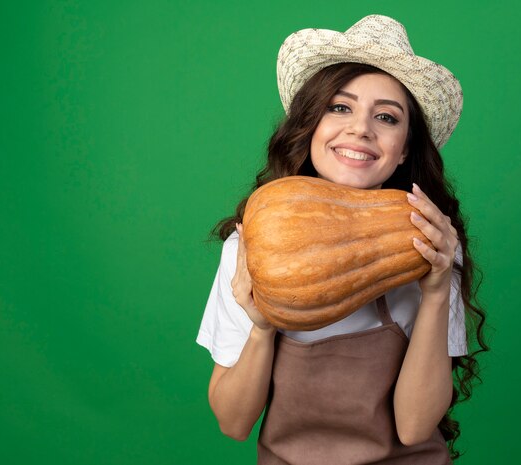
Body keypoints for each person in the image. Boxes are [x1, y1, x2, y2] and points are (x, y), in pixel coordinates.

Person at [197, 15, 488, 464]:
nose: (360, 129)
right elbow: (233, 424)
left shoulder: (432, 243)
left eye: (387, 117)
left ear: (405, 147)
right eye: (339, 107)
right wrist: (262, 326)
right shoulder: (249, 246)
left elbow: (414, 428)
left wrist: (434, 294)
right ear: (312, 124)